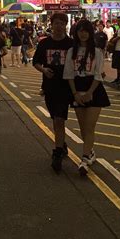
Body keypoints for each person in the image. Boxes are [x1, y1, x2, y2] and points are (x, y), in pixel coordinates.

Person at [64, 19, 110, 176]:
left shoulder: (97, 52)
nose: (83, 34)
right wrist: (75, 93)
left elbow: (98, 74)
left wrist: (90, 92)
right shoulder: (72, 51)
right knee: (83, 127)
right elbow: (69, 74)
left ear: (90, 33)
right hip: (77, 87)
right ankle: (90, 152)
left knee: (90, 126)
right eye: (80, 31)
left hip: (94, 89)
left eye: (86, 31)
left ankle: (84, 159)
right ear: (76, 33)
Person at [33, 13, 73, 173]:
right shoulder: (44, 44)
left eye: (62, 23)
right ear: (52, 24)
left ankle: (57, 153)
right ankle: (61, 143)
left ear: (65, 25)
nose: (59, 26)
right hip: (49, 86)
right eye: (56, 23)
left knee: (59, 118)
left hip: (66, 87)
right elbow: (36, 62)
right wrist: (43, 69)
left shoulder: (71, 44)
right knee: (55, 117)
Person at [111, 16, 120, 84]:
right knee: (118, 65)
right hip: (116, 48)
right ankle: (118, 78)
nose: (117, 22)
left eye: (119, 21)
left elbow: (116, 38)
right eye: (117, 21)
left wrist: (112, 40)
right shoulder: (119, 29)